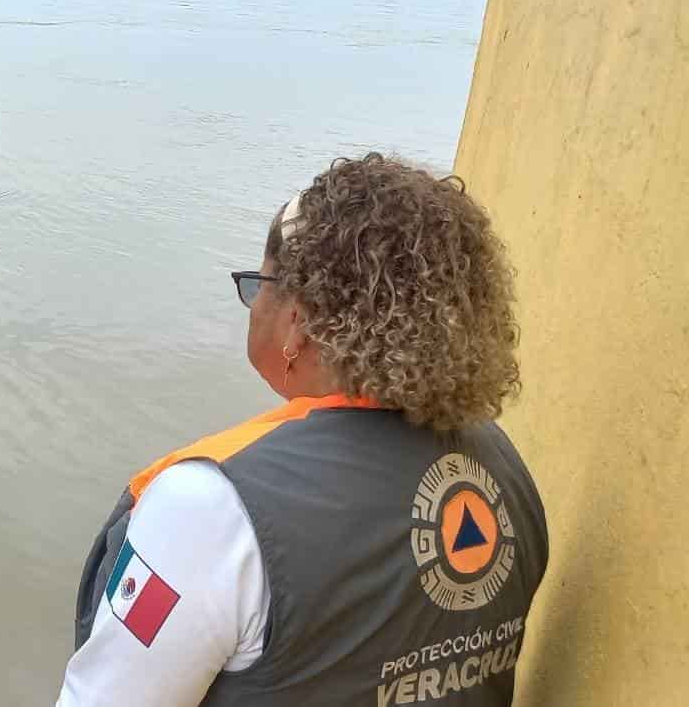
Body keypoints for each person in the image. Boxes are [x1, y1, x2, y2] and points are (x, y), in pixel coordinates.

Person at [58, 154, 547, 707]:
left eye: (257, 285)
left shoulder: (210, 510)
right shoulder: (504, 470)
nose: (253, 306)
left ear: (300, 319)